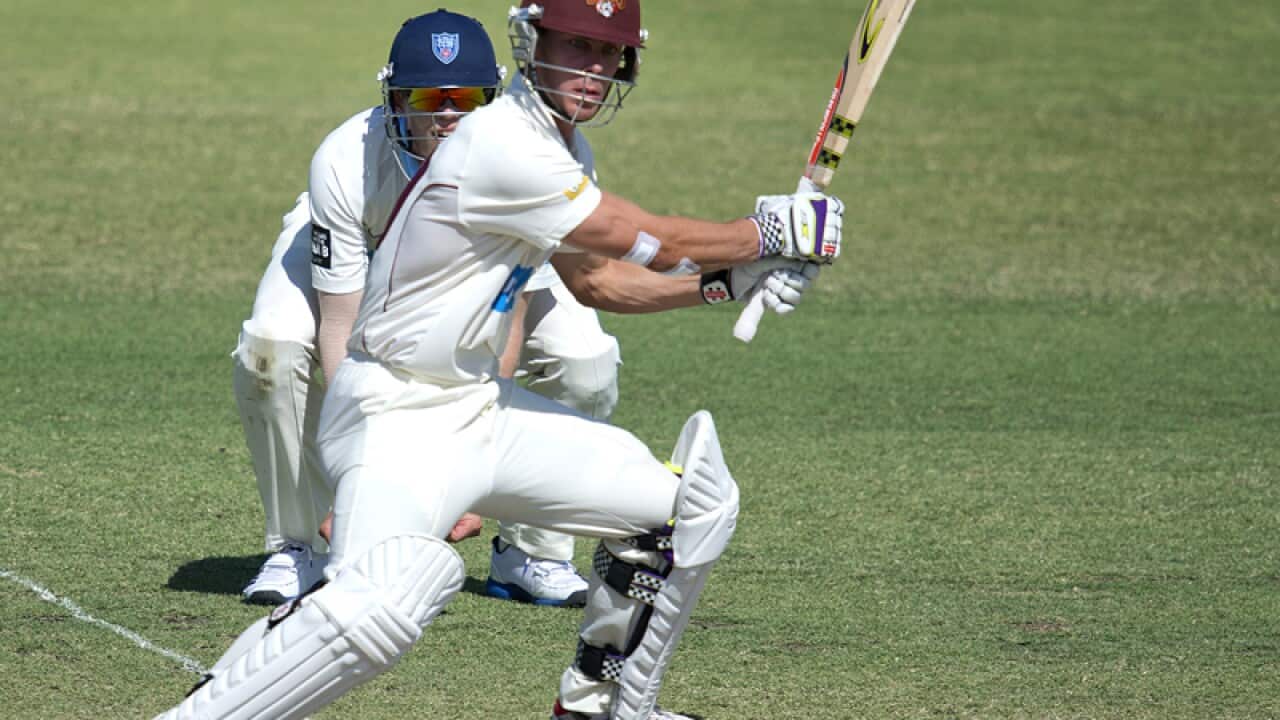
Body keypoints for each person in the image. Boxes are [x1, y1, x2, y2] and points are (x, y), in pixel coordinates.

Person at [156, 1, 841, 718]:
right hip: (392, 413)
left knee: (688, 510)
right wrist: (767, 232)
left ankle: (605, 707)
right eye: (576, 46)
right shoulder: (498, 143)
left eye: (609, 53)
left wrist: (726, 284)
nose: (594, 69)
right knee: (382, 602)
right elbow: (639, 239)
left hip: (479, 409)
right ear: (531, 41)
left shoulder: (558, 149)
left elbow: (597, 283)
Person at [233, 8, 612, 607]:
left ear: (492, 98)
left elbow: (505, 322)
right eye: (427, 96)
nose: (447, 115)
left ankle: (529, 554)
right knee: (273, 348)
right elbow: (341, 329)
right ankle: (298, 547)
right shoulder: (344, 161)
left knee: (584, 361)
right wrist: (362, 476)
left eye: (466, 97)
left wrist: (466, 477)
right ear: (394, 98)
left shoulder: (537, 159)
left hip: (479, 280)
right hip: (364, 264)